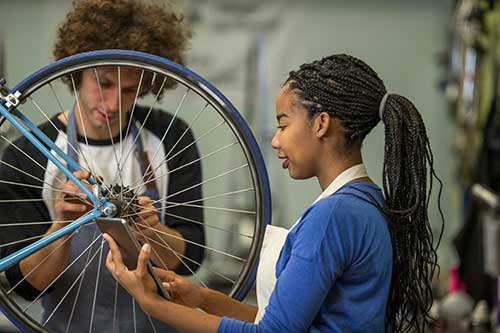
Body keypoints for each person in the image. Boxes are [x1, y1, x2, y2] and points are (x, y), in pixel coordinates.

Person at [104, 54, 445, 333]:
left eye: (283, 124)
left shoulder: (334, 216)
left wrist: (153, 305)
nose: (275, 140)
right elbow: (277, 322)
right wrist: (201, 296)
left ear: (321, 123)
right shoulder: (365, 201)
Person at [0, 0, 204, 332]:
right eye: (104, 83)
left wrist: (153, 233)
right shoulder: (27, 155)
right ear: (77, 71)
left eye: (128, 90)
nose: (112, 104)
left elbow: (190, 257)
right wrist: (62, 227)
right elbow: (26, 285)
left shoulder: (171, 137)